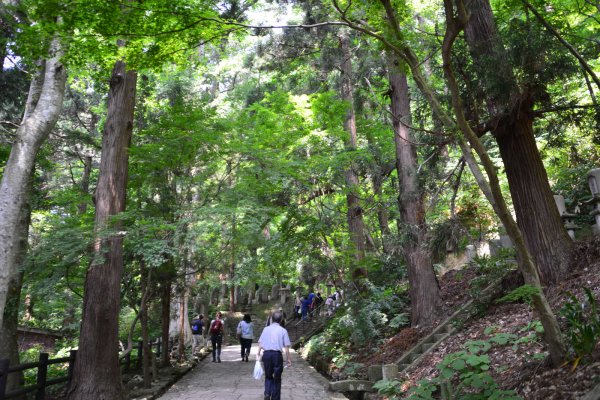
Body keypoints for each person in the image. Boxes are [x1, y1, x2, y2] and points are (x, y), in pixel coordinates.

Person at [257, 311, 291, 400]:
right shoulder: (283, 330)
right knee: (277, 378)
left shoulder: (266, 329)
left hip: (266, 355)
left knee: (268, 376)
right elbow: (286, 347)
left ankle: (267, 393)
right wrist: (288, 359)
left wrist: (258, 353)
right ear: (281, 320)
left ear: (272, 319)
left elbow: (260, 343)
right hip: (277, 356)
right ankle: (275, 398)